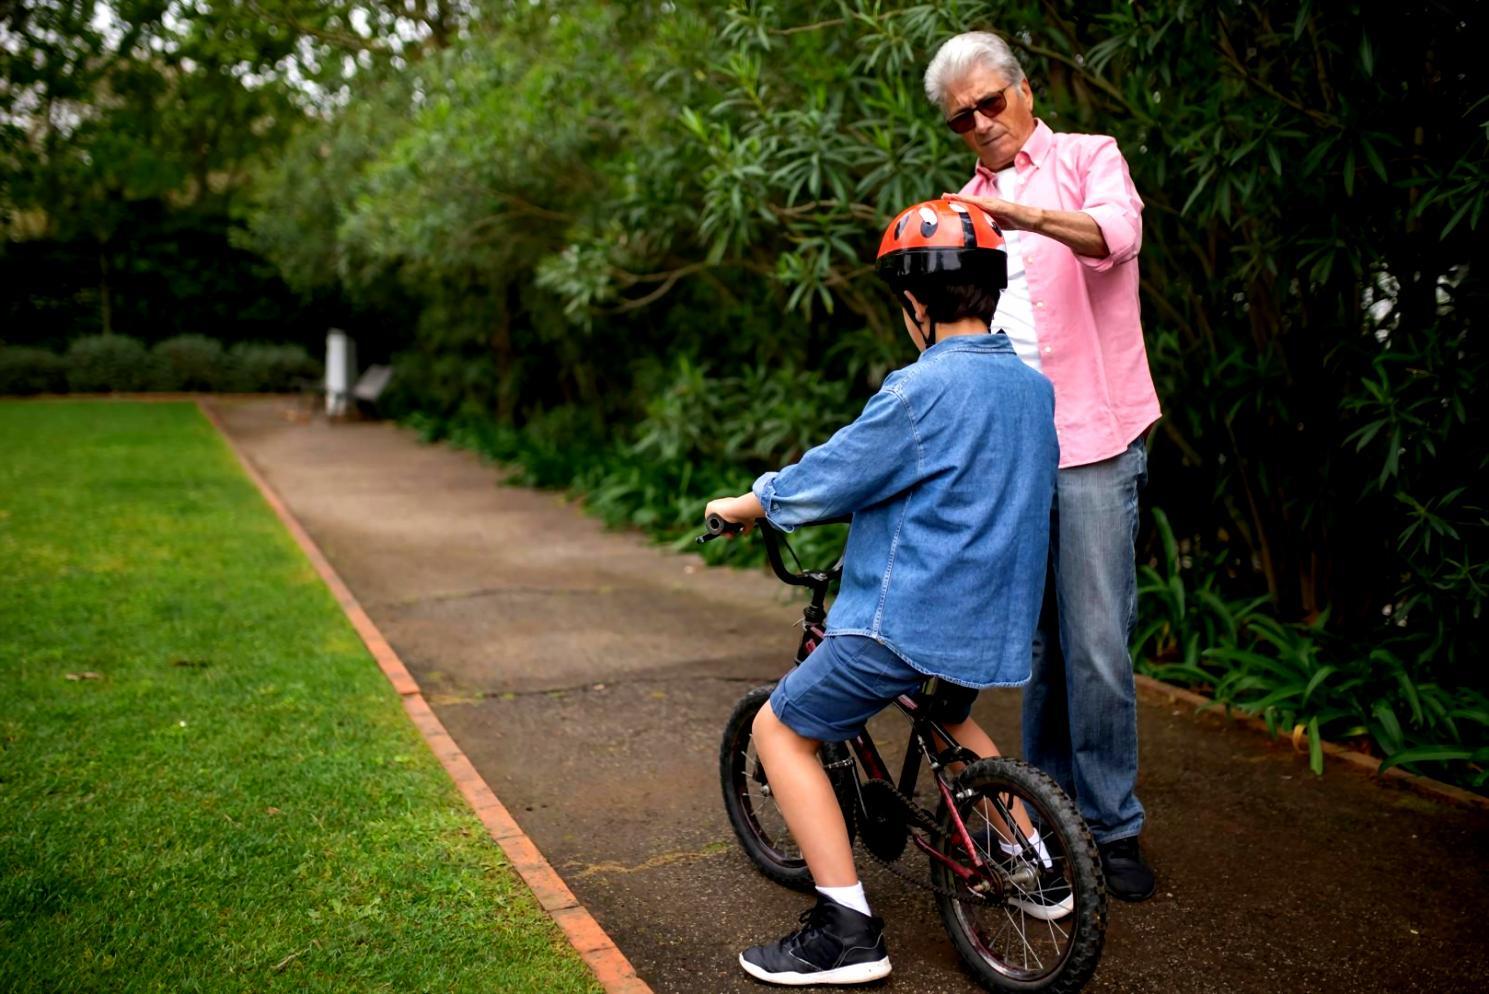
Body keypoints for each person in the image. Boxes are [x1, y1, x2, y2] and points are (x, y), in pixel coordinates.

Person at [705, 198, 1059, 986]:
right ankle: (1038, 867)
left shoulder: (917, 392)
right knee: (950, 717)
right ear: (990, 290)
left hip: (903, 621)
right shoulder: (1032, 393)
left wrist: (744, 504)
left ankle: (845, 932)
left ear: (913, 303)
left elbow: (829, 476)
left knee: (779, 730)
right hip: (997, 621)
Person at [927, 30, 1163, 901]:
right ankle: (1055, 824)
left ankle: (1113, 829)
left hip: (1096, 437)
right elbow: (951, 319)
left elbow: (1116, 238)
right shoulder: (962, 203)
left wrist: (1021, 215)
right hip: (1014, 453)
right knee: (1038, 652)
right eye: (962, 118)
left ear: (1023, 91)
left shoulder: (1087, 157)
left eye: (990, 103)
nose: (981, 124)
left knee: (1096, 647)